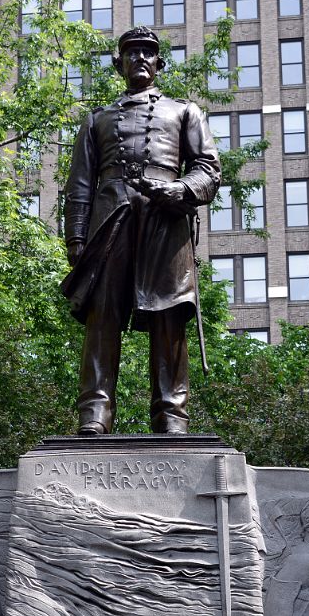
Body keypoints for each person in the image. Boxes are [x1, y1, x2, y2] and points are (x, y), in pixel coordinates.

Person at [62, 26, 221, 435]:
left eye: (148, 53)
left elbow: (208, 170)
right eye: (131, 53)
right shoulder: (97, 119)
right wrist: (76, 238)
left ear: (160, 63)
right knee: (103, 316)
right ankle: (95, 413)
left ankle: (171, 414)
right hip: (109, 222)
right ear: (119, 63)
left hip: (165, 222)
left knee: (169, 316)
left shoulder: (185, 112)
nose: (140, 59)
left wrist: (179, 189)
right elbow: (80, 185)